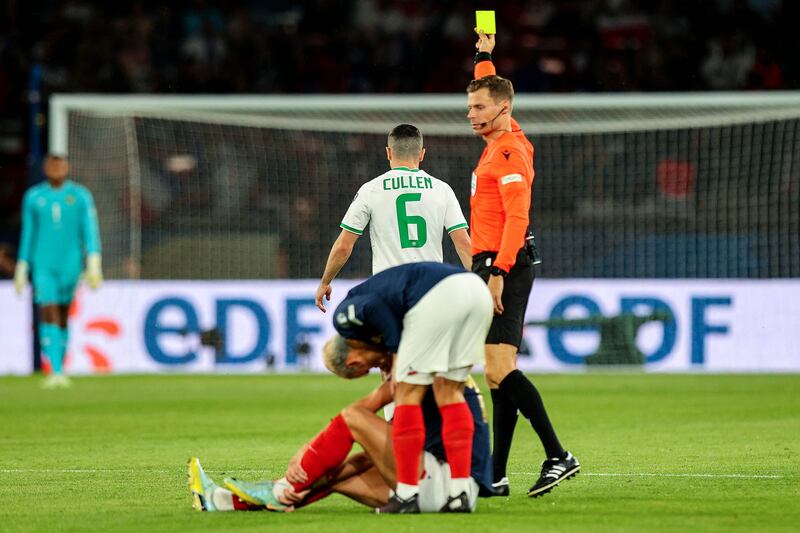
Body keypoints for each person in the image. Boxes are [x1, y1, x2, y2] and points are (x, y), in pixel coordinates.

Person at [467, 30, 579, 497]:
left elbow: (518, 216)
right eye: (470, 107)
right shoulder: (501, 138)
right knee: (498, 371)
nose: (472, 115)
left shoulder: (508, 151)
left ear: (502, 110)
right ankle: (496, 473)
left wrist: (497, 273)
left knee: (498, 370)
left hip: (503, 264)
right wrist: (484, 56)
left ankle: (558, 455)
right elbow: (493, 88)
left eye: (478, 108)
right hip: (495, 262)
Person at [187, 373, 493, 514]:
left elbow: (381, 447)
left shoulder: (423, 382)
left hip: (440, 485)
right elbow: (385, 451)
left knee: (353, 418)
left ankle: (281, 490)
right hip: (451, 488)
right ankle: (224, 502)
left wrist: (311, 465)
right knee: (331, 479)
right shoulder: (449, 376)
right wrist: (327, 471)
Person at [326, 261, 492, 512]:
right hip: (476, 292)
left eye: (364, 370)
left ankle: (406, 495)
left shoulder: (343, 320)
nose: (375, 368)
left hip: (438, 297)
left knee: (407, 395)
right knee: (450, 393)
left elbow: (374, 307)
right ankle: (459, 494)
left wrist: (394, 357)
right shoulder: (382, 308)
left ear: (353, 358)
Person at [315, 123, 472, 312]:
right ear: (422, 154)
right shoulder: (442, 190)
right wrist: (481, 283)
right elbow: (463, 243)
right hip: (431, 288)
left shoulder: (371, 189)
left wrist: (325, 281)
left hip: (388, 288)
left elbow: (344, 246)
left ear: (388, 152)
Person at [14, 154, 102, 388]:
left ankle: (59, 366)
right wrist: (22, 265)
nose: (56, 169)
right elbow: (29, 233)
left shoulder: (80, 196)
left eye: (60, 164)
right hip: (43, 265)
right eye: (52, 165)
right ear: (45, 168)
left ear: (67, 167)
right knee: (48, 310)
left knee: (62, 315)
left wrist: (94, 260)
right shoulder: (34, 197)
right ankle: (54, 369)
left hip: (70, 266)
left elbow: (89, 229)